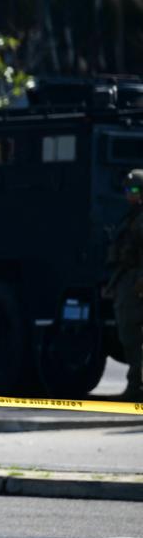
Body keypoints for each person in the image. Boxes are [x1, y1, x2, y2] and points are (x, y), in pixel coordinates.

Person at [107, 169, 143, 401]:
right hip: (127, 279)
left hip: (136, 281)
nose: (130, 194)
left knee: (132, 334)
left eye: (135, 190)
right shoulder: (132, 216)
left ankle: (136, 385)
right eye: (128, 190)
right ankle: (135, 383)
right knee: (129, 335)